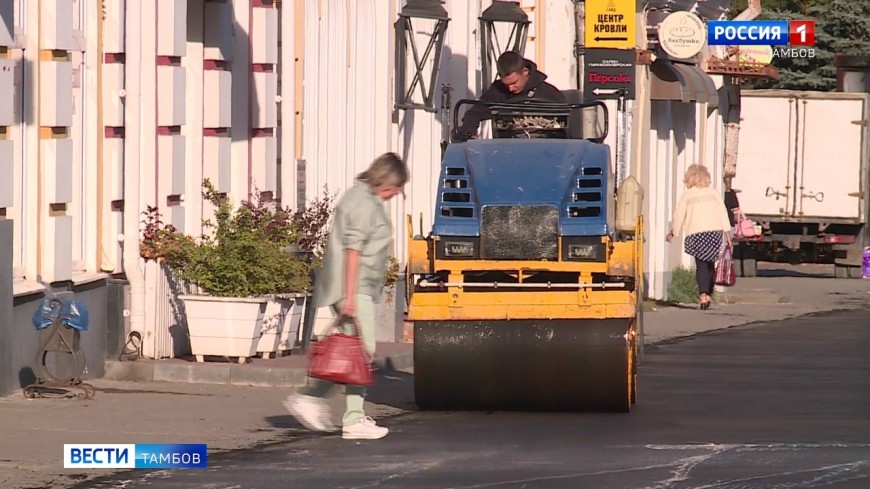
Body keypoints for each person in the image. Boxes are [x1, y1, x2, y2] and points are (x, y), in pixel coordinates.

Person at [284, 152, 409, 440]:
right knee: (361, 352)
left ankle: (324, 404)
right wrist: (351, 296)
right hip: (355, 287)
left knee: (356, 351)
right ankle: (337, 411)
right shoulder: (364, 204)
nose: (398, 192)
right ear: (386, 181)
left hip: (355, 286)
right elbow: (353, 252)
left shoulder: (359, 196)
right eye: (397, 186)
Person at [454, 51, 566, 141]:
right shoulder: (498, 91)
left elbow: (566, 125)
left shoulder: (549, 94)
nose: (510, 88)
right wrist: (469, 134)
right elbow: (474, 113)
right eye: (506, 84)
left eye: (514, 83)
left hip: (547, 151)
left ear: (525, 72)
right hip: (506, 151)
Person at [666, 164, 732, 310]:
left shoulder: (687, 196)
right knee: (710, 264)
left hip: (696, 234)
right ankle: (708, 292)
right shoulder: (714, 193)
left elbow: (679, 215)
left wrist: (673, 233)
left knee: (700, 265)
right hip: (714, 232)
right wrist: (727, 233)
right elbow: (723, 212)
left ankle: (703, 294)